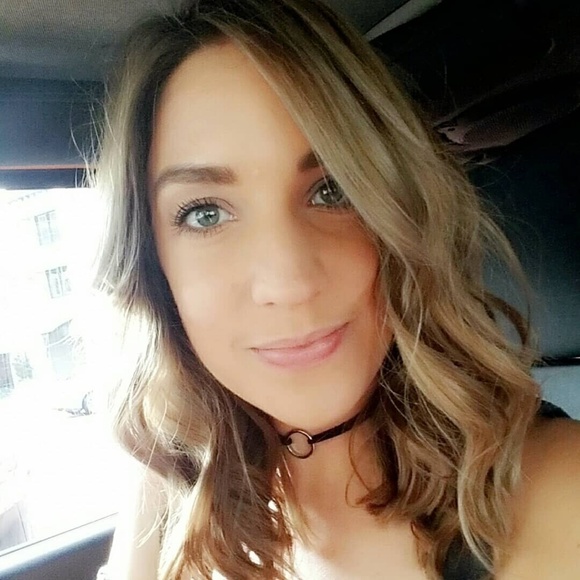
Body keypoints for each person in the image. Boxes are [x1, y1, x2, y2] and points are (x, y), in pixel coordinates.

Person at [94, 0, 580, 578]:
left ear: (400, 214)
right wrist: (166, 440)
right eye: (205, 214)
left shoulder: (554, 490)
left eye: (333, 190)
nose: (289, 283)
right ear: (150, 267)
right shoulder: (185, 494)